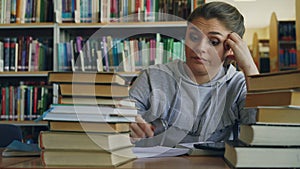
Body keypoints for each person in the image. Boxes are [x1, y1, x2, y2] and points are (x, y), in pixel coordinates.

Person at [129, 1, 259, 147]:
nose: (199, 48)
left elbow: (260, 133)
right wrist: (129, 126)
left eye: (214, 41)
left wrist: (249, 67)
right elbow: (121, 123)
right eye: (194, 37)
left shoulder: (240, 85)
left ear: (230, 48)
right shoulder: (151, 77)